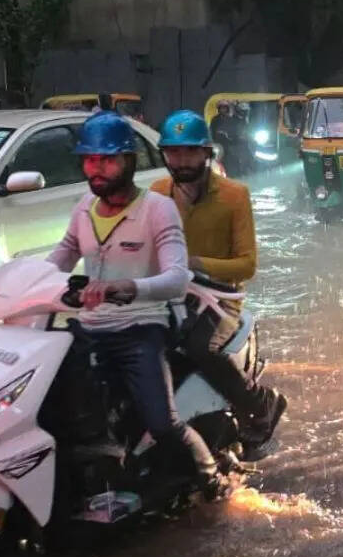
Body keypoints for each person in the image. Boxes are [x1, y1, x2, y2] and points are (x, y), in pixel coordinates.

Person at [46, 112, 227, 499]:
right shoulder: (83, 208)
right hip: (88, 328)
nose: (97, 169)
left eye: (107, 160)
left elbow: (177, 277)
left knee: (163, 423)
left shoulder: (157, 209)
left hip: (140, 328)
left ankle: (213, 481)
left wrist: (125, 287)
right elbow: (59, 258)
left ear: (129, 161)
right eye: (90, 160)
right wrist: (12, 283)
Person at [150, 110, 287, 460]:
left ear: (207, 153)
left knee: (201, 348)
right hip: (169, 294)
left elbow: (247, 264)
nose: (181, 161)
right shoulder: (156, 193)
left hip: (219, 298)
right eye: (174, 153)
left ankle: (260, 403)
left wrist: (195, 264)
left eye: (190, 152)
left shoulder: (234, 196)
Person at [209, 100, 248, 177]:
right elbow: (213, 132)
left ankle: (239, 173)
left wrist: (234, 138)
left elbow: (237, 130)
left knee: (235, 160)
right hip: (220, 145)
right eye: (221, 108)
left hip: (232, 144)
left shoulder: (233, 119)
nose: (223, 110)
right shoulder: (215, 119)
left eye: (224, 108)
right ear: (219, 109)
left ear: (227, 108)